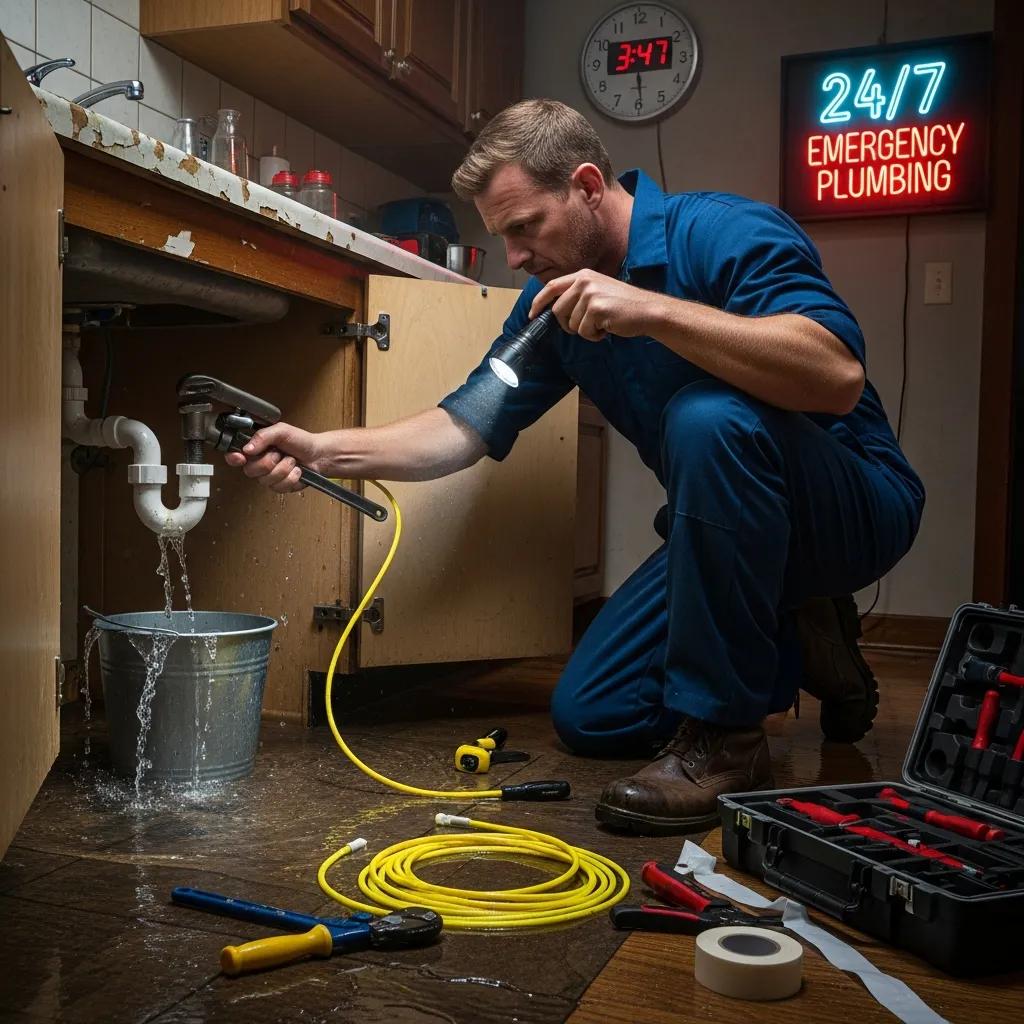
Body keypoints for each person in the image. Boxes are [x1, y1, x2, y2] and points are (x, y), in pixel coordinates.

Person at [226, 99, 925, 836]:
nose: (517, 258)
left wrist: (650, 310)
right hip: (732, 528)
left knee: (706, 415)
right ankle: (799, 623)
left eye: (525, 228)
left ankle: (728, 743)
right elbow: (460, 430)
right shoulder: (550, 305)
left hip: (854, 505)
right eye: (503, 237)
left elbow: (835, 374)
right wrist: (319, 448)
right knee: (594, 716)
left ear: (588, 186)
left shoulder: (720, 231)